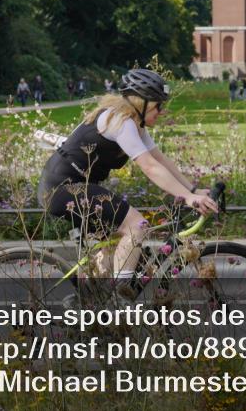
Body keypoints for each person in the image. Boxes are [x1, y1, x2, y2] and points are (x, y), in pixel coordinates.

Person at [37, 68, 220, 285]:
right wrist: (189, 199)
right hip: (62, 187)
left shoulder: (135, 124)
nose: (162, 112)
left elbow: (160, 160)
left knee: (116, 244)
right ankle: (120, 303)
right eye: (158, 105)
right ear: (141, 102)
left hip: (76, 186)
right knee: (136, 225)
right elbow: (149, 167)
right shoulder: (120, 122)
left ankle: (87, 300)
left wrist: (191, 191)